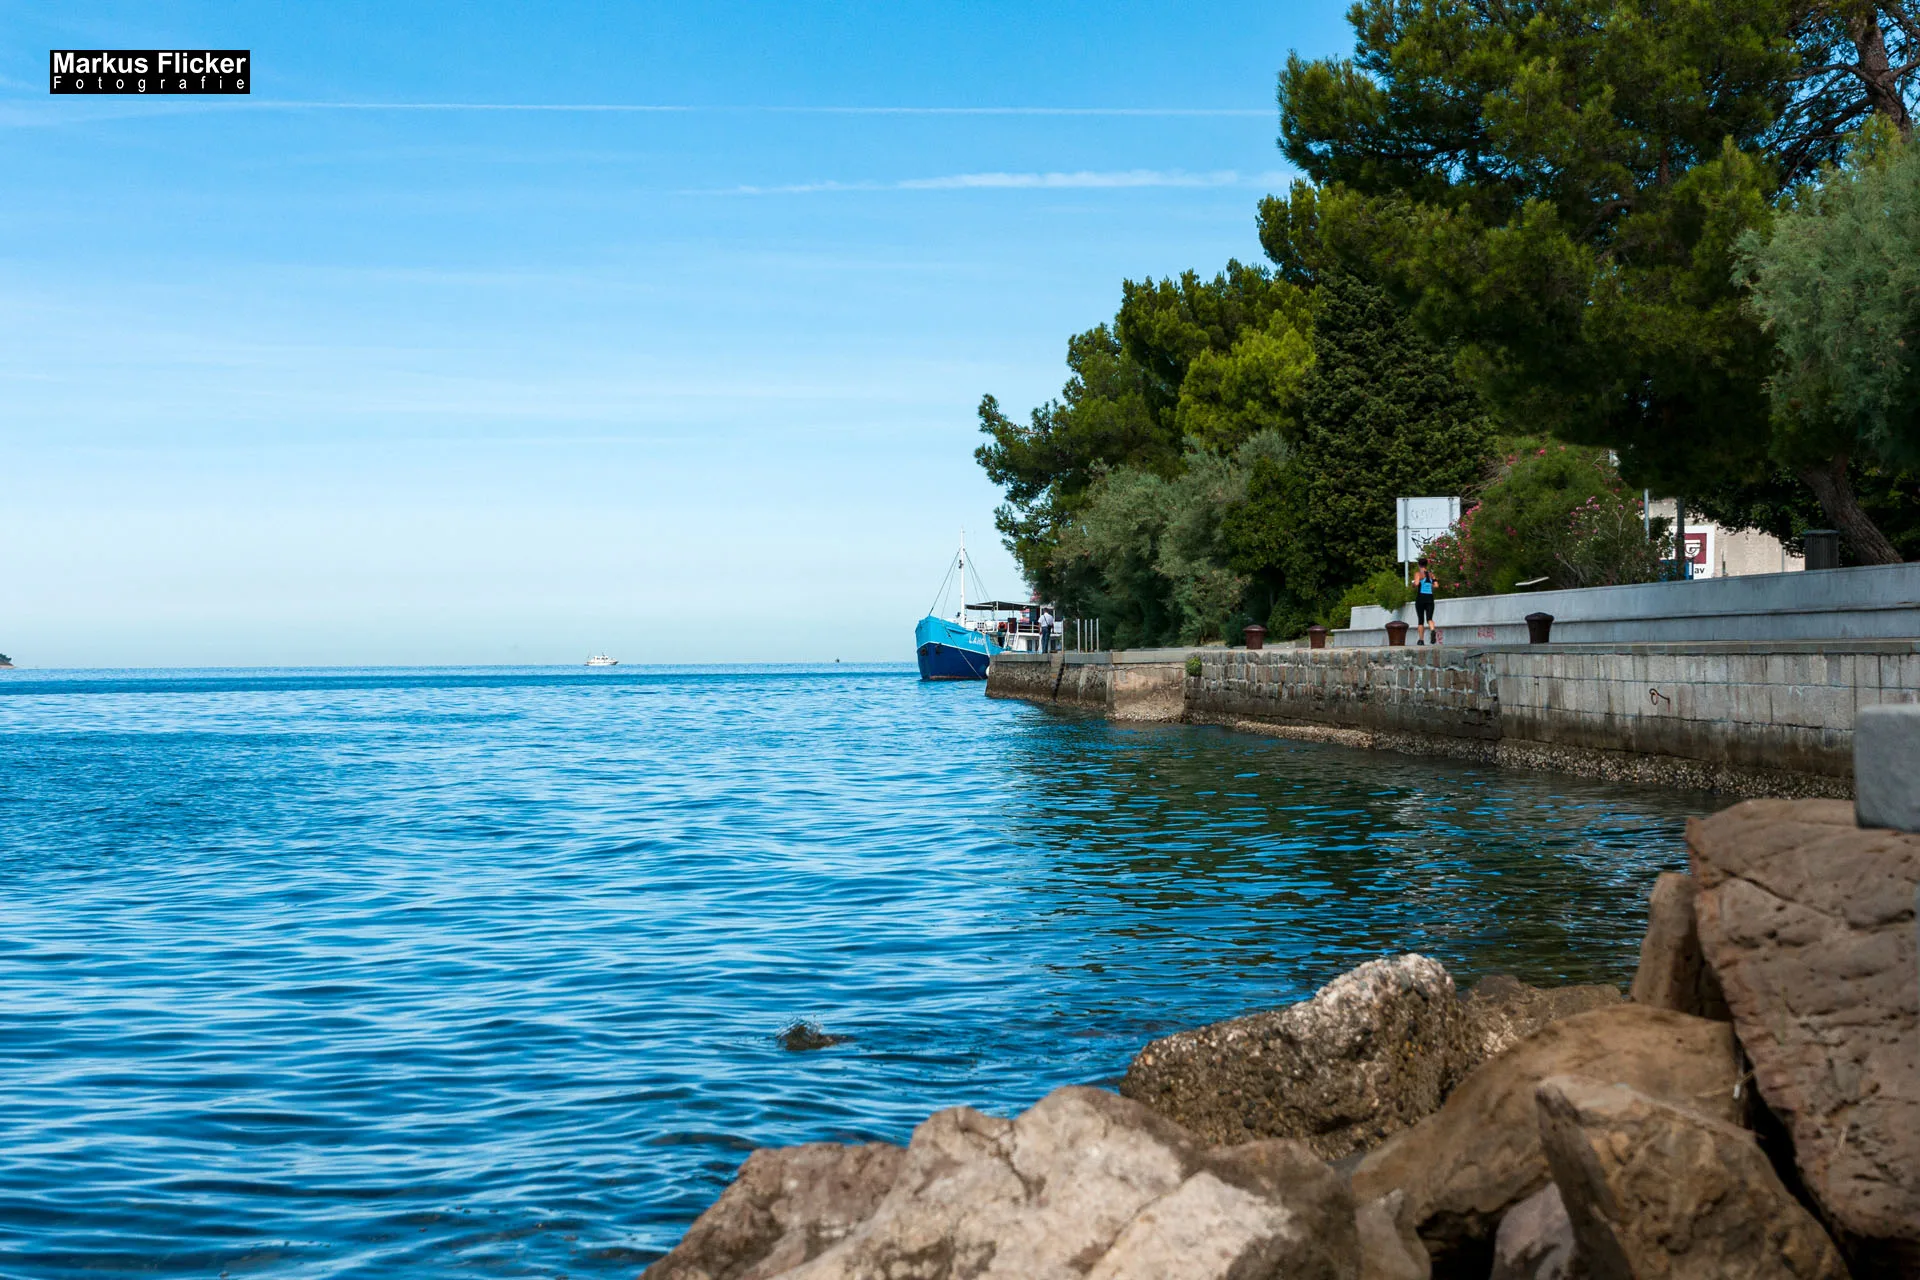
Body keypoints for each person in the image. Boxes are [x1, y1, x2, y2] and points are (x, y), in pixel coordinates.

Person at [1413, 558, 1440, 646]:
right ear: (1426, 565)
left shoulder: (1418, 574)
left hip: (1421, 598)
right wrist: (1430, 584)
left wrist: (1413, 584)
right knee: (1429, 618)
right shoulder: (1431, 574)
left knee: (1421, 620)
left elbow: (1417, 584)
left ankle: (1421, 640)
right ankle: (1432, 630)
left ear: (1419, 565)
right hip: (1430, 597)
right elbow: (1436, 585)